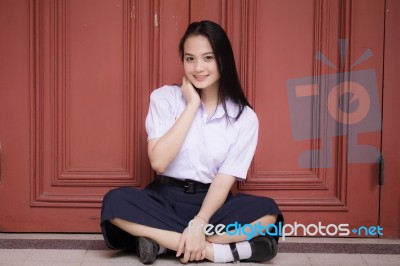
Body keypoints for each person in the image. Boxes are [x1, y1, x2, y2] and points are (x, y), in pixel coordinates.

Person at [101, 20, 283, 264]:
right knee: (116, 202)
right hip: (164, 199)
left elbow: (223, 182)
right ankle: (221, 252)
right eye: (190, 59)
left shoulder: (244, 117)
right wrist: (192, 105)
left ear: (223, 59)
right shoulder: (165, 98)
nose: (198, 68)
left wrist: (200, 222)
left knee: (268, 213)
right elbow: (159, 162)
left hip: (213, 204)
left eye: (208, 58)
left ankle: (163, 244)